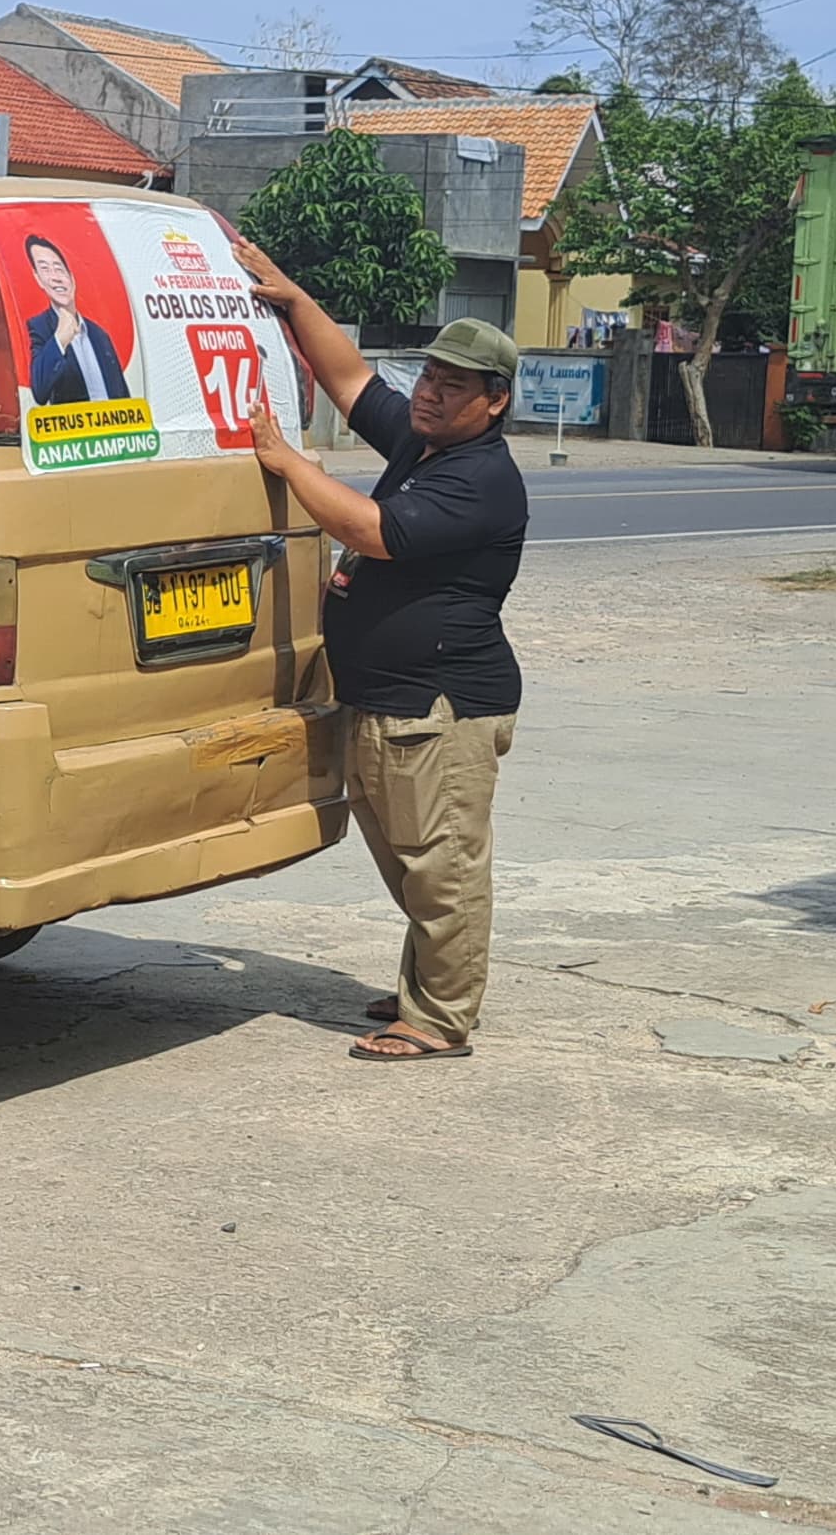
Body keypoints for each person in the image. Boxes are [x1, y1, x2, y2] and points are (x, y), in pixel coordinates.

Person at [235, 238, 527, 1064]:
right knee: (410, 862)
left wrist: (287, 462)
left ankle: (439, 1020)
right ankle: (429, 982)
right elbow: (350, 379)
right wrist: (292, 299)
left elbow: (376, 531)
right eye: (430, 379)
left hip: (441, 706)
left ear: (494, 402)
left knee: (443, 866)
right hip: (387, 697)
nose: (430, 395)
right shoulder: (423, 441)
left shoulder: (482, 477)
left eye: (453, 386)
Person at [18, 234, 130, 406]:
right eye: (45, 269)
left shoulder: (99, 334)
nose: (55, 277)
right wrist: (59, 339)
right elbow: (40, 392)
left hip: (112, 429)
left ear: (72, 278)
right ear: (38, 279)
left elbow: (122, 393)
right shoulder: (39, 327)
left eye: (59, 268)